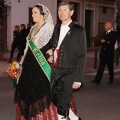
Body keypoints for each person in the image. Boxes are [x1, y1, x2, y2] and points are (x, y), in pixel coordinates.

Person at [14, 4, 57, 120]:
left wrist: (53, 52)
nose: (32, 15)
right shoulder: (32, 29)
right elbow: (27, 48)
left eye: (35, 13)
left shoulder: (50, 28)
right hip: (28, 66)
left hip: (41, 66)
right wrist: (20, 64)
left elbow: (57, 45)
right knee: (26, 91)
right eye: (32, 12)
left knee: (41, 92)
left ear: (43, 15)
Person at [47, 1, 87, 120]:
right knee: (54, 97)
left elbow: (82, 55)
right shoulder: (57, 27)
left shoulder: (79, 30)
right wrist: (50, 52)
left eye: (65, 10)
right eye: (60, 10)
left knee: (63, 103)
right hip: (55, 69)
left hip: (70, 71)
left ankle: (63, 116)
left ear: (72, 12)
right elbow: (53, 44)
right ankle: (74, 118)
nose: (61, 12)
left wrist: (78, 79)